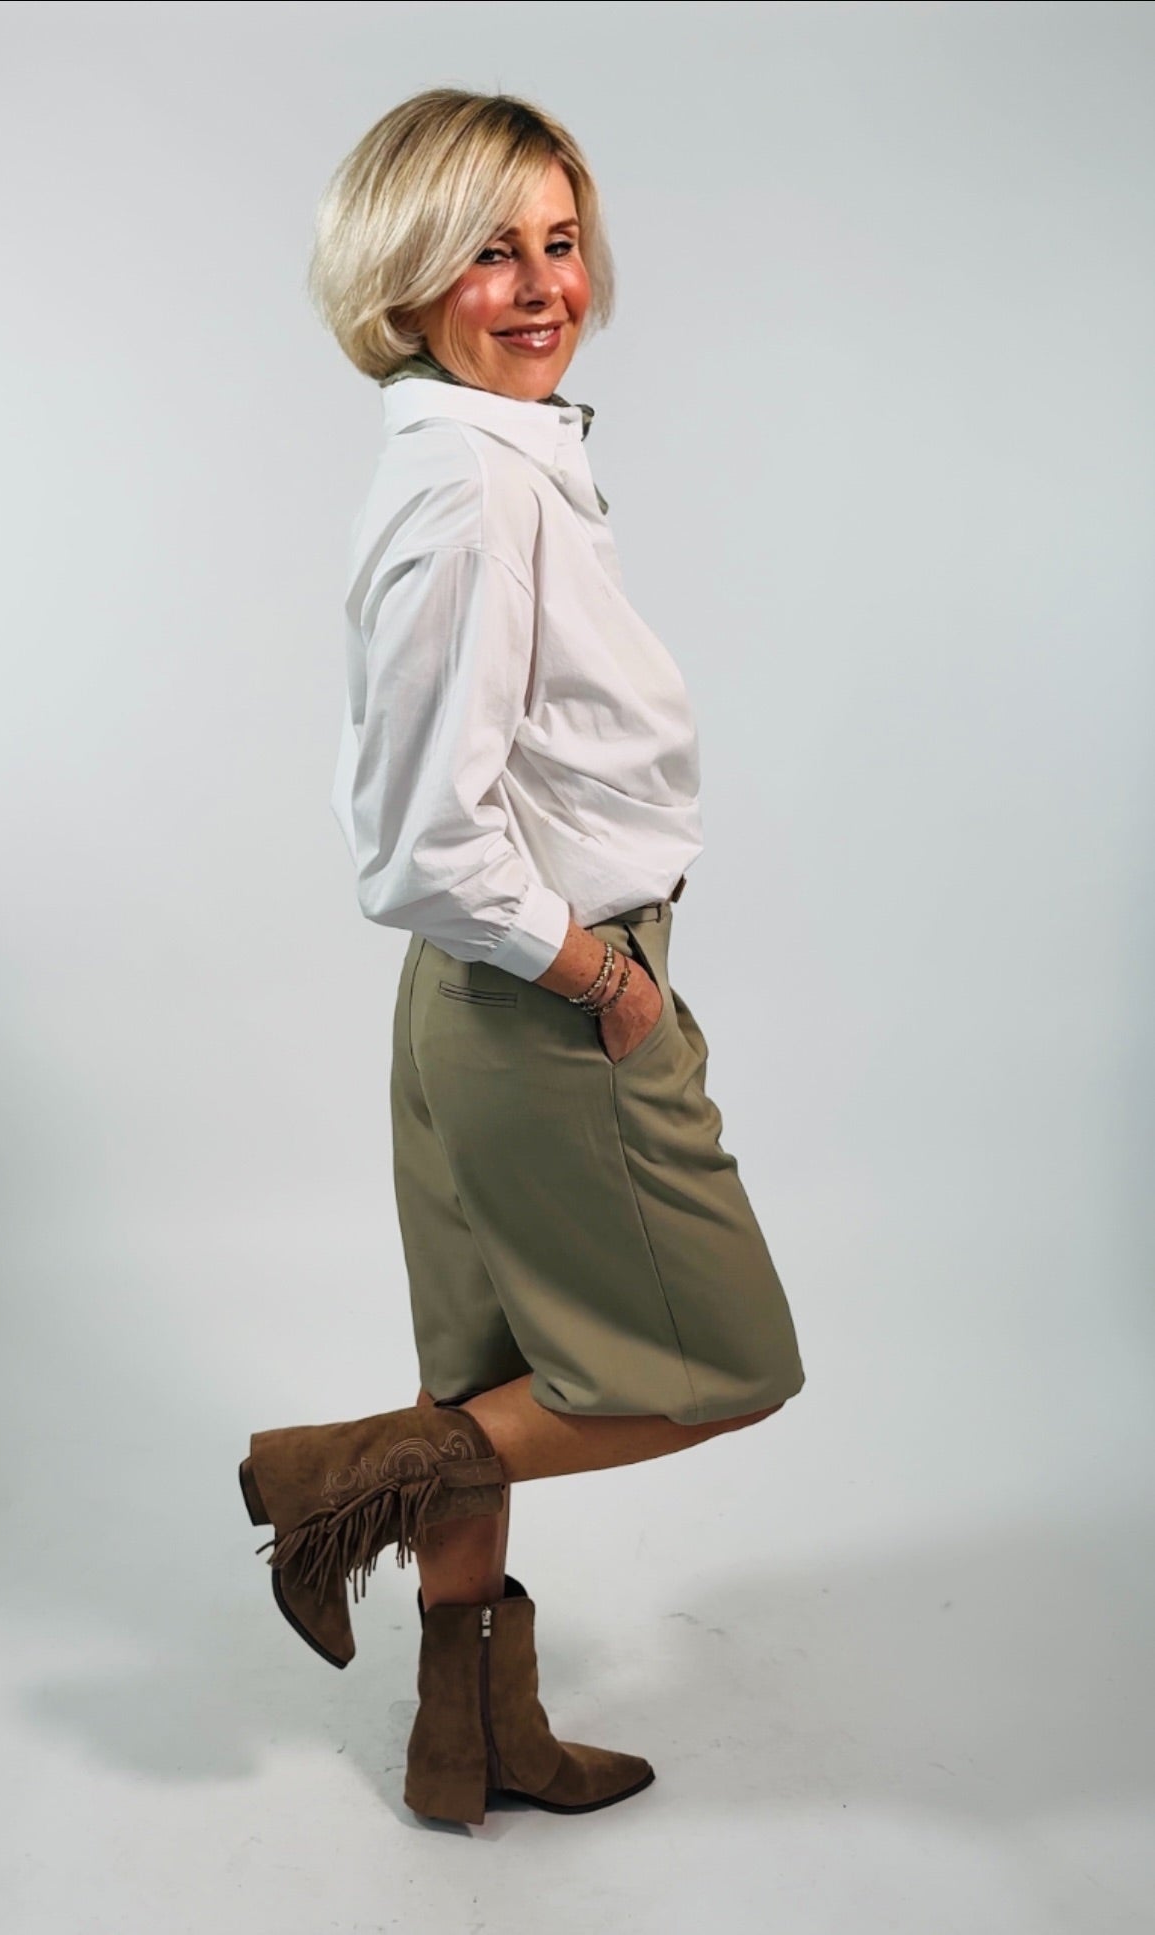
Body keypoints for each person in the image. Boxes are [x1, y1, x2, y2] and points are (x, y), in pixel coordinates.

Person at [238, 86, 807, 1827]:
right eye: (491, 251)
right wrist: (606, 984)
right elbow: (421, 841)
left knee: (478, 1370)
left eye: (560, 242)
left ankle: (467, 1745)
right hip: (544, 1000)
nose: (544, 285)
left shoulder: (491, 454)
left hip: (474, 1005)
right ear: (404, 277)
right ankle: (337, 1481)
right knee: (722, 1366)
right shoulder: (475, 494)